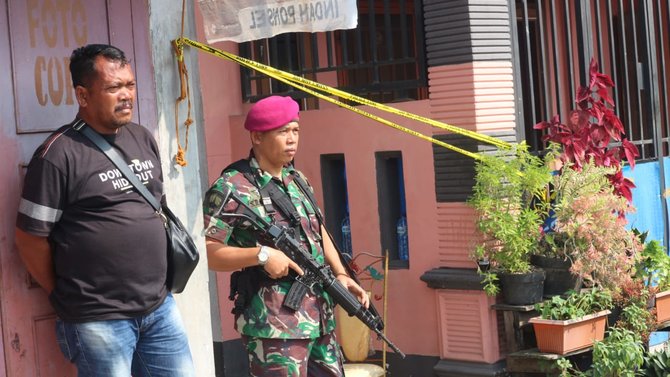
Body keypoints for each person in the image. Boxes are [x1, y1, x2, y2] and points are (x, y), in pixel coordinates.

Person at [14, 44, 195, 377]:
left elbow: (156, 207)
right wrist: (63, 294)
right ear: (83, 95)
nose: (126, 95)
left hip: (159, 308)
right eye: (114, 87)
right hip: (98, 318)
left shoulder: (142, 137)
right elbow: (29, 238)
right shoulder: (57, 155)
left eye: (130, 85)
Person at [203, 95, 369, 376]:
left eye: (295, 131)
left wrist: (341, 275)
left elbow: (318, 232)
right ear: (257, 136)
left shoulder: (297, 180)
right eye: (282, 132)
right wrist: (262, 255)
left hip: (319, 319)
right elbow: (209, 251)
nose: (292, 139)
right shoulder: (232, 187)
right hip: (273, 325)